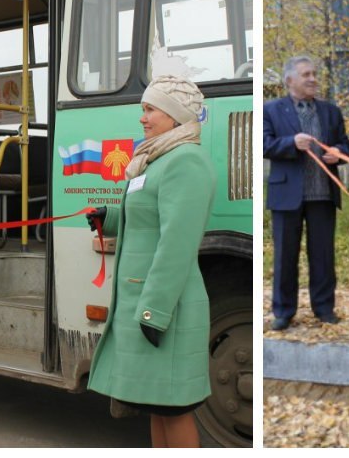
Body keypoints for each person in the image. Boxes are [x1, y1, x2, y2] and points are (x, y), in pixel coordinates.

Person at [85, 75, 215, 448]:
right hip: (149, 304)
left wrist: (153, 312)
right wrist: (108, 216)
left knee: (175, 409)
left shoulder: (185, 161)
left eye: (150, 109)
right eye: (143, 109)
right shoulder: (157, 159)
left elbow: (177, 243)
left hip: (165, 308)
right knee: (159, 405)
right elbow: (149, 218)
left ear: (174, 115)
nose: (142, 117)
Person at [264, 55, 349, 331]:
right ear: (290, 80)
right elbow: (264, 145)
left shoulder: (330, 112)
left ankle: (324, 308)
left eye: (314, 74)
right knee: (285, 256)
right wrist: (291, 143)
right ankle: (283, 311)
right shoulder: (271, 110)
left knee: (323, 255)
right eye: (306, 74)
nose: (313, 79)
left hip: (322, 195)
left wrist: (338, 154)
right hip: (287, 195)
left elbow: (345, 145)